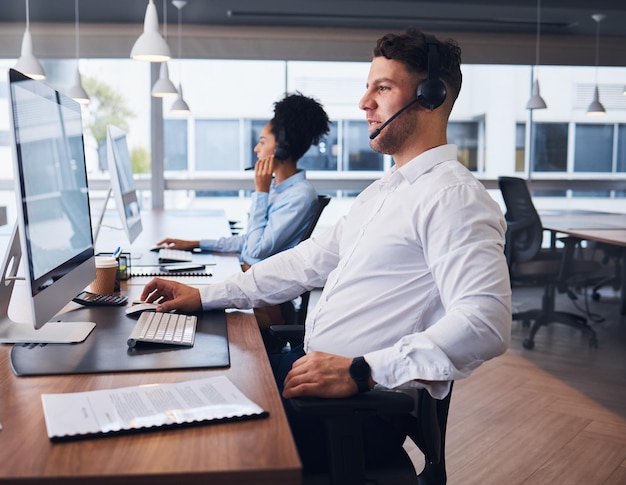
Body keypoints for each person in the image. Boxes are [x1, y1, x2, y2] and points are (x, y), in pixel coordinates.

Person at [140, 28, 512, 474]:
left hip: (347, 414)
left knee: (173, 433)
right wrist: (206, 294)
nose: (364, 103)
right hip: (309, 377)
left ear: (431, 96)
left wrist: (362, 371)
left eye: (383, 88)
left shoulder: (453, 197)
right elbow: (307, 261)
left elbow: (486, 322)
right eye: (367, 87)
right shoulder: (386, 192)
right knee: (178, 380)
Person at [156, 92, 330, 270]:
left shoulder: (299, 196)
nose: (256, 149)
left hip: (258, 285)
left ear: (282, 148)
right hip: (246, 274)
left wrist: (261, 192)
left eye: (262, 142)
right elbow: (249, 240)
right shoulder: (278, 188)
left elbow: (255, 251)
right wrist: (196, 244)